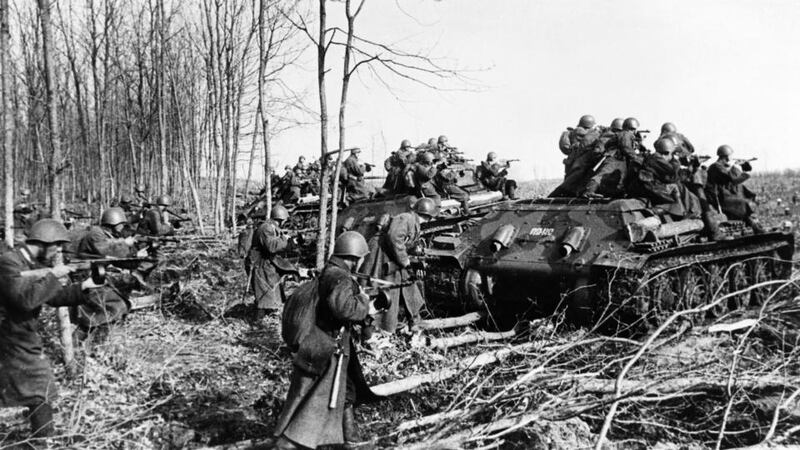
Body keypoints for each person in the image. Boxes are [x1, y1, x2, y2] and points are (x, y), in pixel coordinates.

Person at [272, 231, 376, 450]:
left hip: (329, 344)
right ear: (355, 257)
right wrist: (365, 303)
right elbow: (345, 308)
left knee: (346, 390)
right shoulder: (339, 277)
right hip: (328, 349)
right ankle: (288, 443)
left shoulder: (330, 272)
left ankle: (349, 437)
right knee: (312, 401)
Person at [0, 219, 103, 438]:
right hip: (9, 334)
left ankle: (43, 438)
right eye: (56, 245)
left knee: (38, 388)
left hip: (19, 333)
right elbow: (24, 300)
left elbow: (53, 297)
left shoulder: (32, 265)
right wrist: (54, 275)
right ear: (43, 241)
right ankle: (44, 439)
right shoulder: (9, 263)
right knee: (39, 384)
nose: (58, 251)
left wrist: (84, 287)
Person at [361, 198, 436, 333]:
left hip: (391, 254)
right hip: (380, 253)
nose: (428, 220)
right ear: (426, 215)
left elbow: (405, 241)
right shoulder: (407, 218)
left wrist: (414, 252)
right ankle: (379, 326)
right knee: (383, 289)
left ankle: (413, 320)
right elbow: (394, 237)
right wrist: (405, 261)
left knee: (408, 282)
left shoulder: (413, 221)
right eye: (428, 217)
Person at [73, 207, 148, 334]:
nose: (122, 228)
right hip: (85, 278)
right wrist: (125, 243)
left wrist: (137, 257)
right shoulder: (96, 233)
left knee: (110, 309)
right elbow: (106, 250)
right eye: (121, 225)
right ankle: (96, 346)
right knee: (116, 307)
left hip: (96, 276)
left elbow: (119, 259)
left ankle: (92, 345)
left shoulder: (107, 235)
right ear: (113, 223)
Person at [246, 205, 293, 320]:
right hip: (259, 265)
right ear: (280, 219)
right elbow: (271, 246)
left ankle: (267, 314)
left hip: (265, 264)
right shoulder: (266, 228)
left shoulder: (271, 227)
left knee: (270, 291)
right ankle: (258, 322)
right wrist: (285, 239)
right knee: (263, 295)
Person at [705, 145, 764, 233]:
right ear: (726, 156)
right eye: (731, 155)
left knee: (745, 200)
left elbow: (738, 178)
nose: (732, 157)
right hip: (719, 197)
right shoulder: (716, 167)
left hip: (727, 195)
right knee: (743, 202)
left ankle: (754, 224)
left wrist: (744, 165)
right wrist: (735, 166)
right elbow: (733, 179)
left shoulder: (723, 166)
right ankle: (753, 225)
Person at [582, 117, 641, 198]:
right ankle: (589, 191)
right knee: (602, 174)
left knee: (621, 177)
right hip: (614, 158)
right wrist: (637, 158)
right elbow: (626, 147)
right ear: (633, 128)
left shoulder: (624, 134)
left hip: (619, 159)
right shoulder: (625, 134)